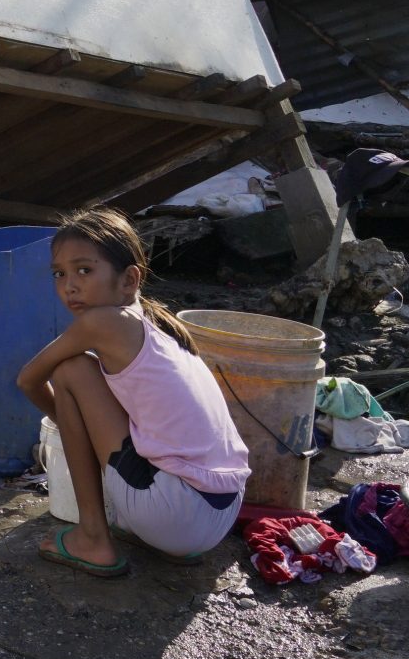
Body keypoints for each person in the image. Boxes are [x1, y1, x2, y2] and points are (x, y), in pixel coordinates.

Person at [16, 207, 249, 577]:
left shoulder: (102, 322)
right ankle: (154, 535)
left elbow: (28, 380)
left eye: (84, 270)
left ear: (129, 279)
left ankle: (92, 537)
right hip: (221, 512)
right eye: (59, 274)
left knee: (71, 370)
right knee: (97, 383)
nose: (69, 285)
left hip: (176, 513)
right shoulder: (161, 328)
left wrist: (76, 432)